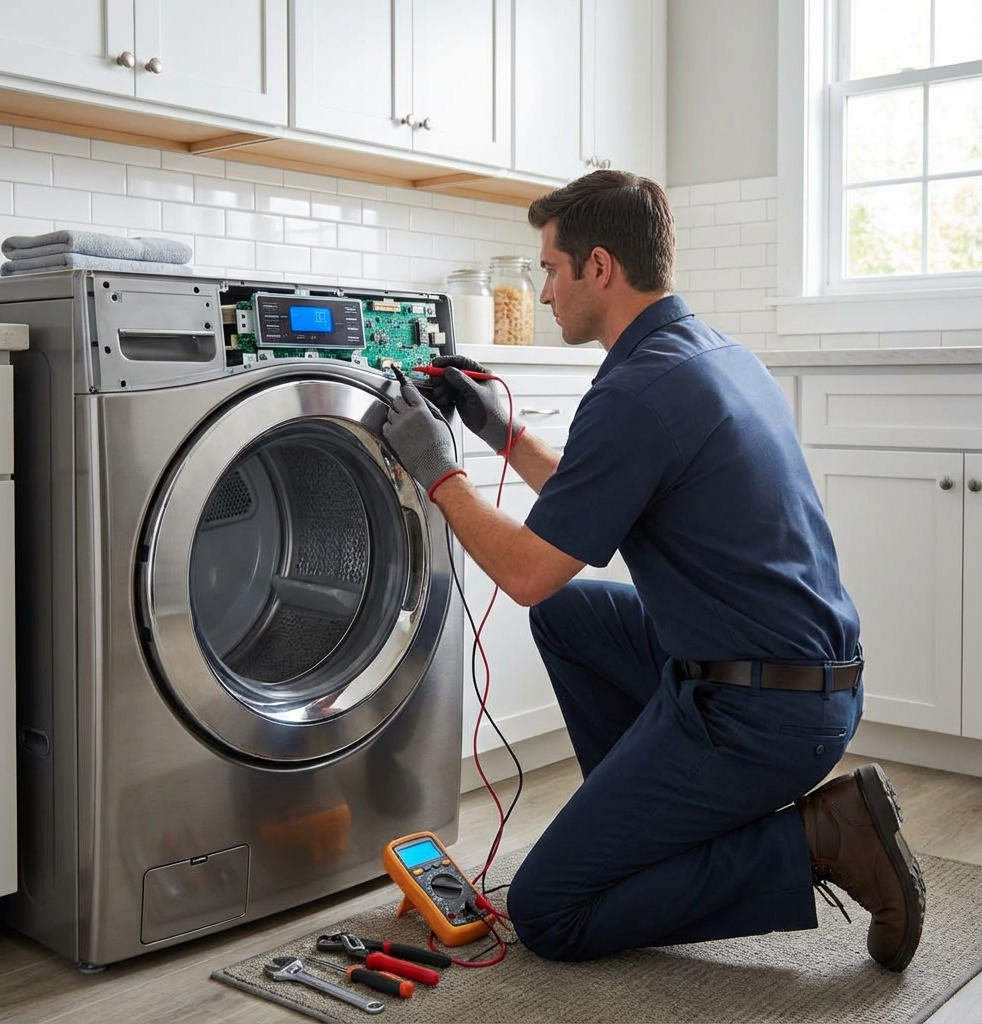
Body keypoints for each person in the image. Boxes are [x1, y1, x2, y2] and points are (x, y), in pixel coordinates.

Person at [381, 170, 925, 971]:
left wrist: (437, 473)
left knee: (550, 911)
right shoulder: (710, 356)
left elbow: (531, 571)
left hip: (761, 711)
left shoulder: (637, 388)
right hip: (801, 679)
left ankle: (820, 839)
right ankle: (642, 831)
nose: (541, 293)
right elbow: (589, 502)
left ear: (600, 268)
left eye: (551, 269)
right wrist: (500, 432)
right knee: (571, 621)